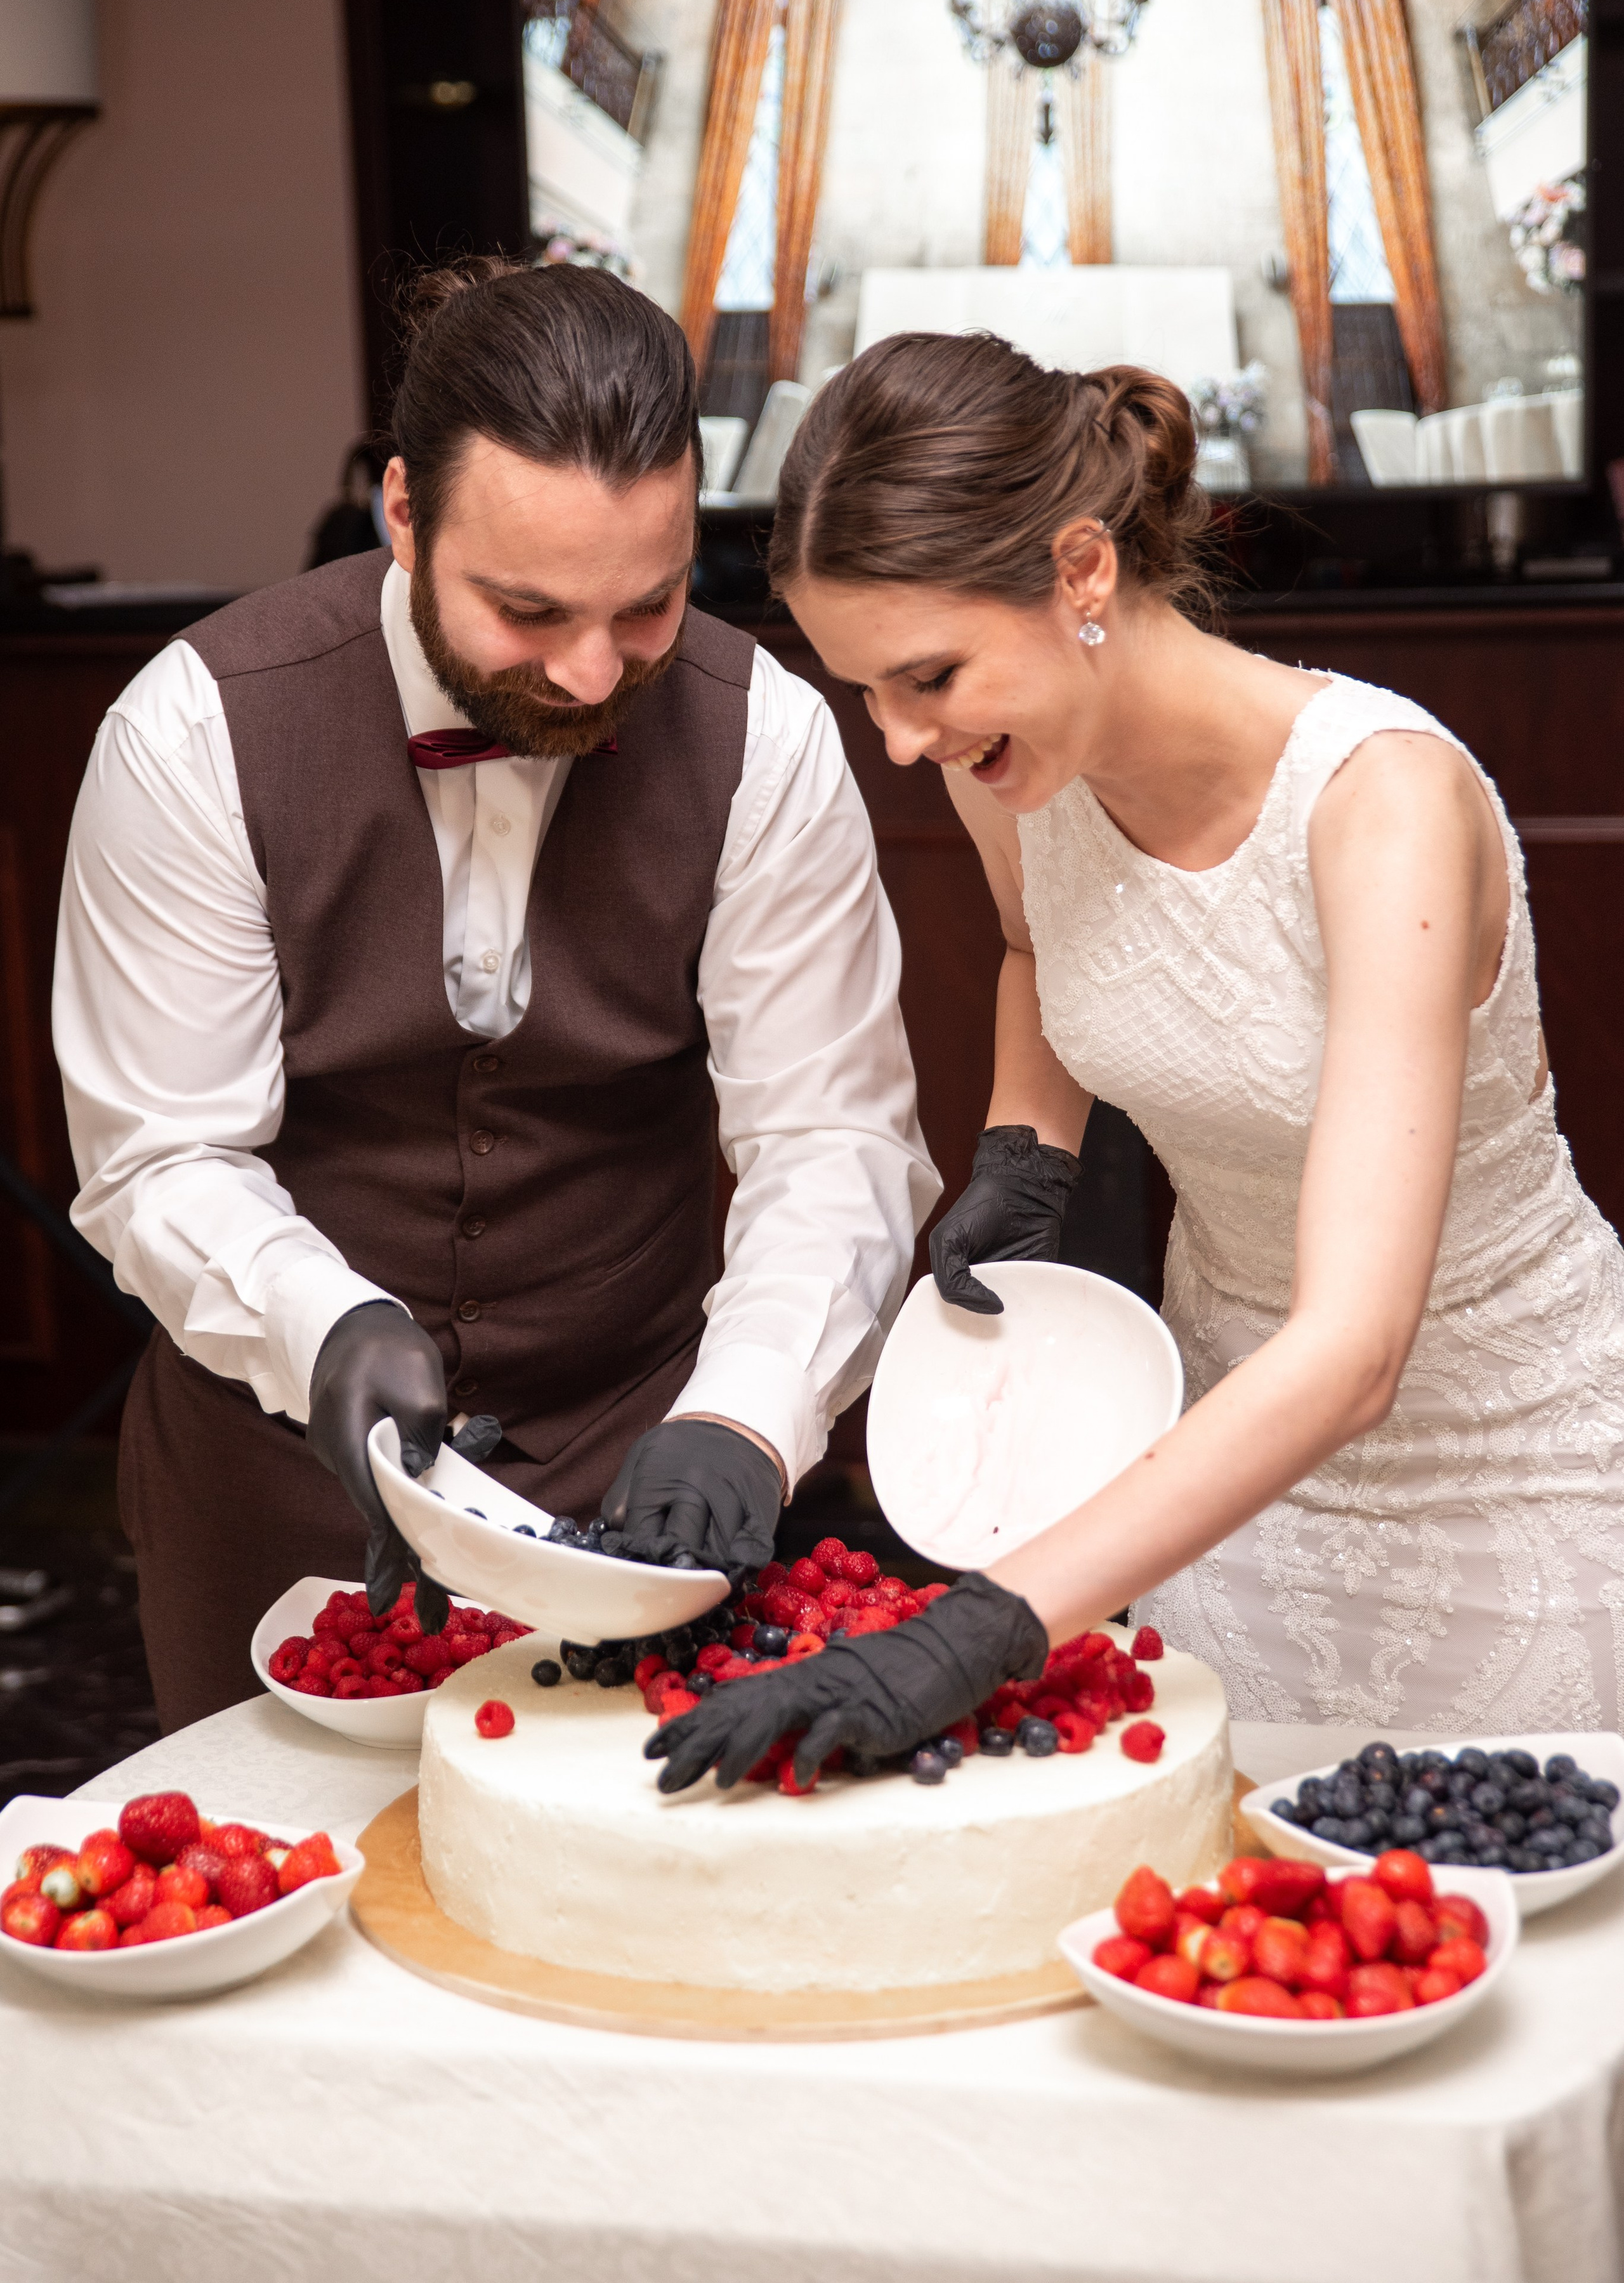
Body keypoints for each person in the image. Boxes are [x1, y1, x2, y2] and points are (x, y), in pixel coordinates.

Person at [649, 330, 1624, 1796]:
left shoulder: (1383, 806)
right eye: (865, 693)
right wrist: (1022, 1150)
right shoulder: (1010, 767)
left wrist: (985, 1621)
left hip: (1506, 1470)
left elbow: (1355, 1347)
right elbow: (1040, 948)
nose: (902, 743)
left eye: (926, 676)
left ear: (1081, 570)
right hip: (1214, 1472)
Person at [54, 260, 937, 1731]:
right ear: (404, 512)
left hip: (642, 1472)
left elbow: (827, 1137)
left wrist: (745, 1414)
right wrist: (327, 1323)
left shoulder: (767, 741)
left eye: (648, 605)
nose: (593, 675)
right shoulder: (192, 732)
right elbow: (162, 1153)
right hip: (278, 1469)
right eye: (527, 610)